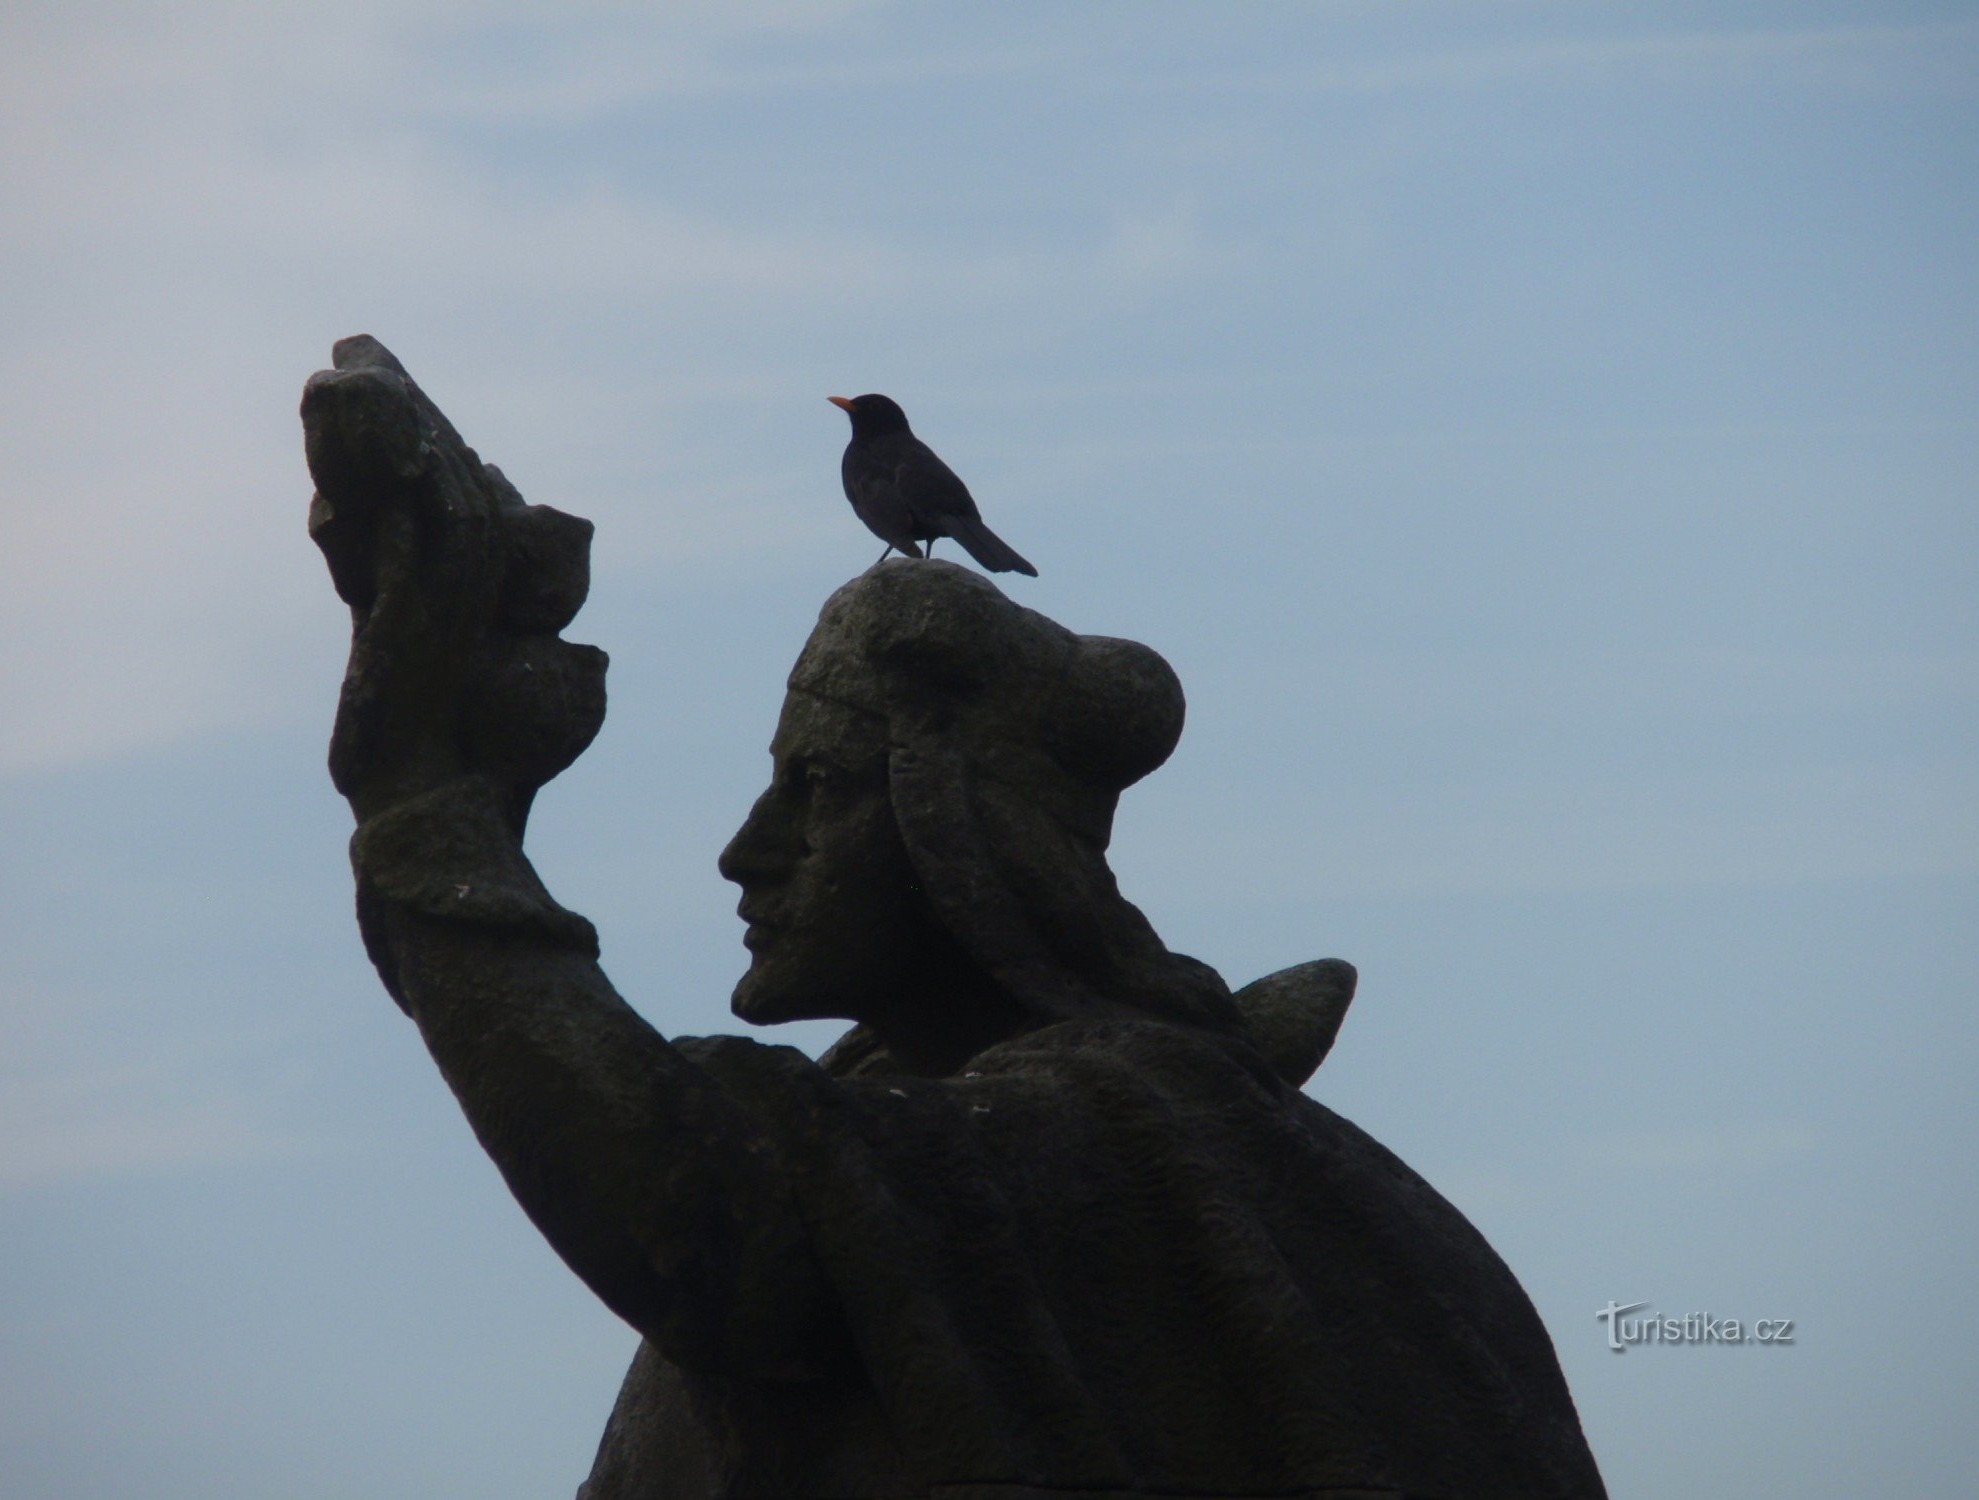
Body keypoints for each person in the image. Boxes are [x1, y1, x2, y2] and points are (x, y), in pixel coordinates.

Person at [305, 339, 1606, 1499]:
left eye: (811, 786)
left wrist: (423, 791)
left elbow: (702, 1208)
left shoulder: (1084, 1129)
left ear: (944, 817)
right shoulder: (919, 1108)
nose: (743, 851)